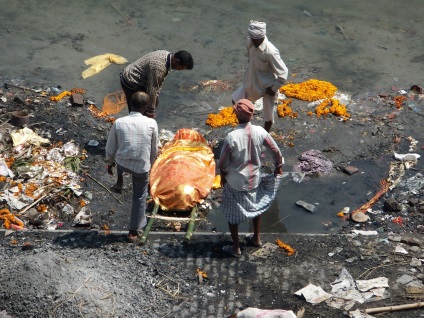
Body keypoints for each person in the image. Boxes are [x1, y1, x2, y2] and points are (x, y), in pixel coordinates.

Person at [217, 99, 283, 257]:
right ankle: (256, 237)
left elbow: (223, 162)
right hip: (255, 179)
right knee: (256, 206)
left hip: (236, 182)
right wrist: (278, 166)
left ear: (235, 115)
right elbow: (275, 150)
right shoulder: (260, 131)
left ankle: (236, 247)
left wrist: (223, 177)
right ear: (252, 115)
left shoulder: (231, 137)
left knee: (233, 214)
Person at [105, 91, 158, 242]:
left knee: (122, 156)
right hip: (141, 167)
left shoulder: (119, 122)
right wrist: (151, 164)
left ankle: (119, 180)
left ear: (129, 104)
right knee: (139, 197)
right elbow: (154, 148)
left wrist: (109, 164)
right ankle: (133, 231)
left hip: (122, 163)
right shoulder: (151, 123)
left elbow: (110, 147)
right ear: (146, 107)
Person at [232, 20, 289, 132]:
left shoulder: (270, 51)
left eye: (254, 38)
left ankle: (265, 136)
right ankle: (245, 129)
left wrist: (273, 89)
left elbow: (283, 73)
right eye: (251, 37)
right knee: (236, 102)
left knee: (268, 117)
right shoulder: (250, 42)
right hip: (251, 80)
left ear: (261, 37)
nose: (252, 40)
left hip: (266, 87)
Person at [120, 50, 194, 117]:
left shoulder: (166, 55)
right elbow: (152, 89)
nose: (180, 70)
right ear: (177, 62)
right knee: (138, 110)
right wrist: (150, 112)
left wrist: (155, 99)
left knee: (152, 103)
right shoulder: (159, 67)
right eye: (181, 68)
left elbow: (158, 81)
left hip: (141, 78)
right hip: (131, 80)